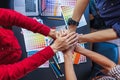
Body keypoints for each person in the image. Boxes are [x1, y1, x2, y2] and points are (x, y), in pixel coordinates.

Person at [0, 8, 78, 80]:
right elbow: (12, 72)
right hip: (9, 62)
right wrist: (54, 48)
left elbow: (12, 17)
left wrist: (50, 32)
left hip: (12, 41)